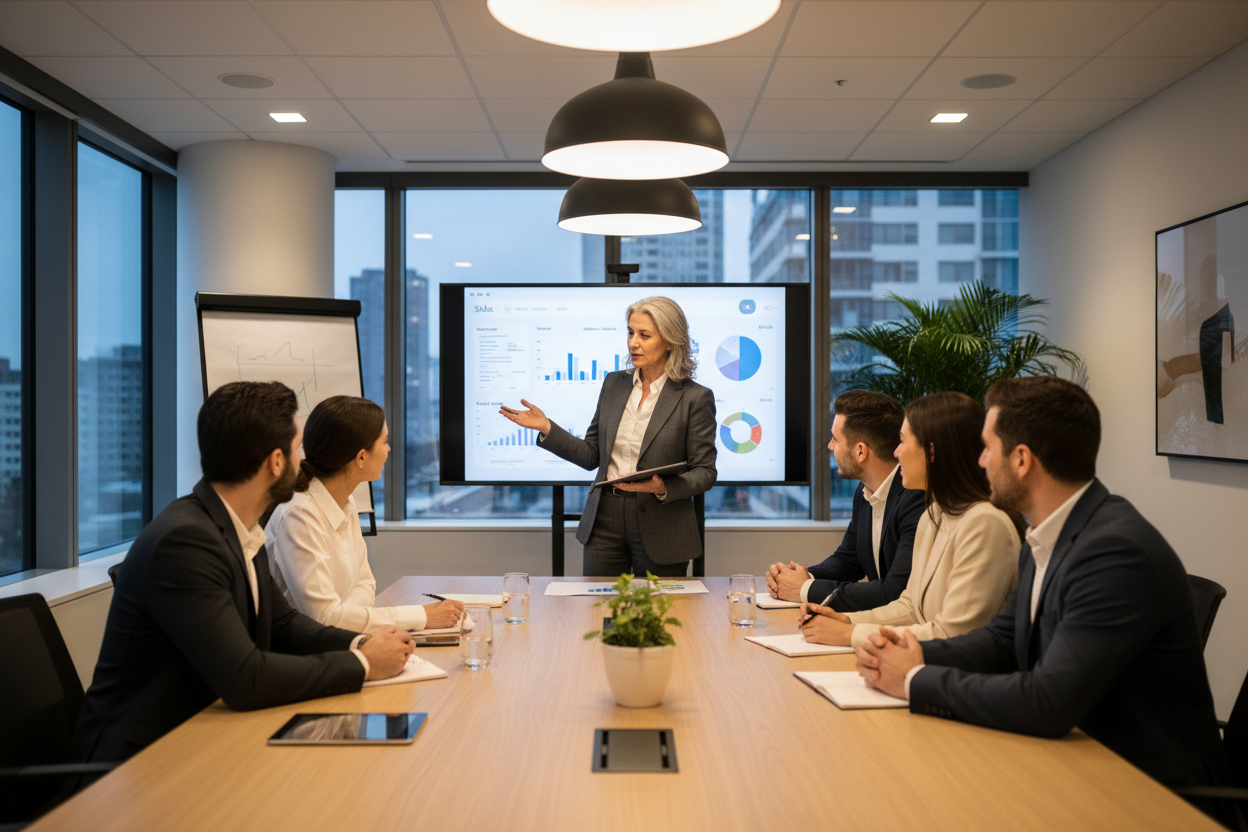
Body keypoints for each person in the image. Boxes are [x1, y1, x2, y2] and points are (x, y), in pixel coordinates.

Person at [854, 377, 1232, 798]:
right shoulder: (1054, 533)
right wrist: (914, 652)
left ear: (1021, 460)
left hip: (1152, 791)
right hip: (1078, 760)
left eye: (987, 449)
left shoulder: (1114, 552)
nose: (979, 462)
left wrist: (914, 678)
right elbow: (1000, 640)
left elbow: (1048, 700)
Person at [72, 382, 413, 763]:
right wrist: (363, 665)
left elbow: (284, 625)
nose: (306, 462)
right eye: (298, 449)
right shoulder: (185, 542)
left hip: (207, 733)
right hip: (139, 763)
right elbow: (245, 677)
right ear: (276, 462)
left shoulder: (236, 527)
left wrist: (359, 644)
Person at [500, 296, 716, 578]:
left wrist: (663, 487)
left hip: (662, 522)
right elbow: (591, 455)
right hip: (605, 518)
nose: (632, 342)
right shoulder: (614, 383)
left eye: (644, 335)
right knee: (599, 610)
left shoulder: (695, 397)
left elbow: (705, 472)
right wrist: (547, 428)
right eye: (630, 332)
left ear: (670, 340)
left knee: (657, 617)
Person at [799, 391, 1022, 648]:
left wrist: (850, 634)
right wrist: (845, 620)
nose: (896, 452)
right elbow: (909, 608)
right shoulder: (933, 514)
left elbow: (955, 633)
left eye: (903, 442)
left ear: (931, 452)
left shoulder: (985, 523)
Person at [267, 395, 463, 632]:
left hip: (336, 643)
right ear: (361, 457)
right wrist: (420, 615)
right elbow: (324, 619)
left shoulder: (345, 502)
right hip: (301, 656)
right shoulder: (299, 514)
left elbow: (365, 583)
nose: (389, 449)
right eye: (385, 441)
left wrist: (346, 619)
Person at [766, 390, 925, 611]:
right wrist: (802, 577)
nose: (830, 446)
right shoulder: (865, 489)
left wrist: (805, 589)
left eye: (835, 439)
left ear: (861, 451)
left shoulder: (915, 497)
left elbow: (894, 591)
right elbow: (849, 559)